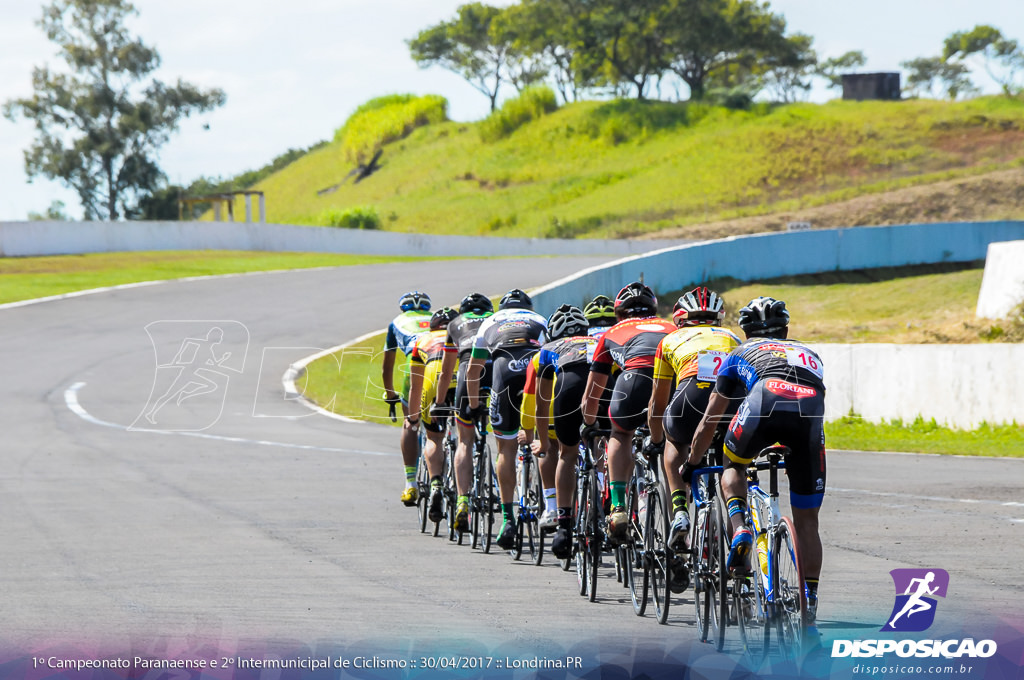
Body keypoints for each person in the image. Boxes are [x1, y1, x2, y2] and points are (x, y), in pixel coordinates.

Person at [687, 296, 826, 638]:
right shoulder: (811, 354)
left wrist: (691, 461)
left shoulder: (738, 354)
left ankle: (740, 528)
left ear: (745, 332)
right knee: (808, 522)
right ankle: (809, 599)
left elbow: (710, 419)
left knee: (732, 464)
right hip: (809, 415)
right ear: (787, 329)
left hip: (764, 398)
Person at [646, 286, 741, 591]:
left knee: (674, 446)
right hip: (732, 401)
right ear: (718, 318)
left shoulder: (669, 340)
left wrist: (657, 439)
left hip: (691, 396)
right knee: (733, 467)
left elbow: (658, 402)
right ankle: (738, 535)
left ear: (680, 318)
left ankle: (679, 512)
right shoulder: (733, 339)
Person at [579, 282, 676, 543]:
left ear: (620, 314)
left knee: (620, 433)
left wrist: (588, 423)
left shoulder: (613, 331)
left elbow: (592, 394)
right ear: (654, 310)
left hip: (633, 382)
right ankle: (681, 513)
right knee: (675, 441)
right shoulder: (672, 327)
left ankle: (619, 506)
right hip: (671, 384)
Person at [465, 289, 547, 550]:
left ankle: (508, 519)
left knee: (505, 450)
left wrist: (475, 404)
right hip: (534, 368)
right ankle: (554, 506)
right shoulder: (539, 319)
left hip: (504, 372)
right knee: (546, 443)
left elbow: (474, 369)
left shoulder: (490, 321)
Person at [522, 304, 596, 559]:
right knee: (613, 440)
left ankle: (563, 525)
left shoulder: (548, 349)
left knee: (567, 453)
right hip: (601, 389)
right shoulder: (598, 340)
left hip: (568, 388)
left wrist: (543, 443)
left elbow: (542, 403)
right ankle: (613, 504)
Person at [432, 292, 495, 533]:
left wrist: (439, 402)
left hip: (469, 369)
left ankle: (462, 500)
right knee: (506, 436)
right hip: (498, 369)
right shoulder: (496, 318)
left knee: (465, 442)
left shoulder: (454, 324)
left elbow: (446, 372)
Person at [407, 307, 460, 522]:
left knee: (434, 438)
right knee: (467, 436)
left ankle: (436, 481)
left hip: (432, 378)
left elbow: (415, 387)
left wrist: (412, 418)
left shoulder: (422, 340)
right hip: (462, 378)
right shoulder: (463, 333)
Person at [383, 291, 432, 506]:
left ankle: (410, 483)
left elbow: (387, 366)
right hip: (445, 366)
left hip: (416, 366)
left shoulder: (397, 322)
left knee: (410, 423)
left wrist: (390, 393)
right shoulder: (437, 316)